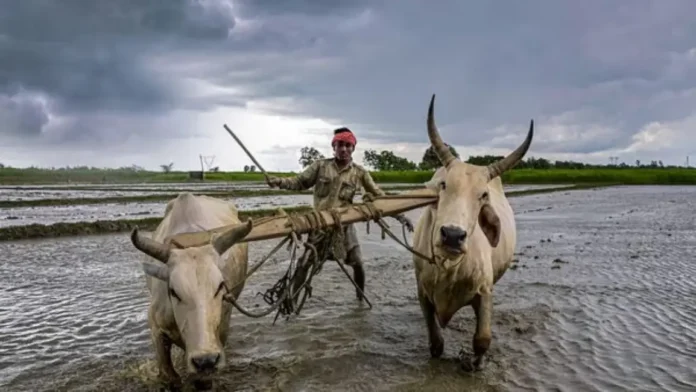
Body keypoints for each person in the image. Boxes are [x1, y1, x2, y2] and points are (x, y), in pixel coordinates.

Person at [266, 127, 414, 301]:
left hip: (344, 227)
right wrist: (279, 182)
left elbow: (379, 196)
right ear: (334, 147)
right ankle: (292, 303)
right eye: (340, 145)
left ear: (353, 148)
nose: (344, 149)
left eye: (348, 145)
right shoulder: (320, 166)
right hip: (320, 226)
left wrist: (400, 216)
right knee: (304, 264)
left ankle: (360, 299)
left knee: (358, 263)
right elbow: (299, 182)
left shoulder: (359, 173)